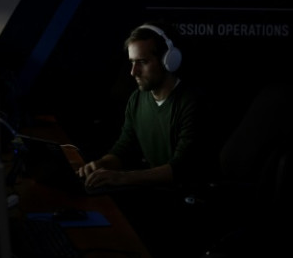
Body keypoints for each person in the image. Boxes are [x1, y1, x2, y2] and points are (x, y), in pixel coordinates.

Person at [77, 21, 216, 192]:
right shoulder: (137, 99)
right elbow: (124, 149)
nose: (133, 72)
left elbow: (181, 169)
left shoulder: (191, 103)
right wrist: (100, 165)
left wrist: (122, 178)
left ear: (168, 60)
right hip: (157, 192)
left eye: (142, 62)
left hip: (189, 196)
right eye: (132, 62)